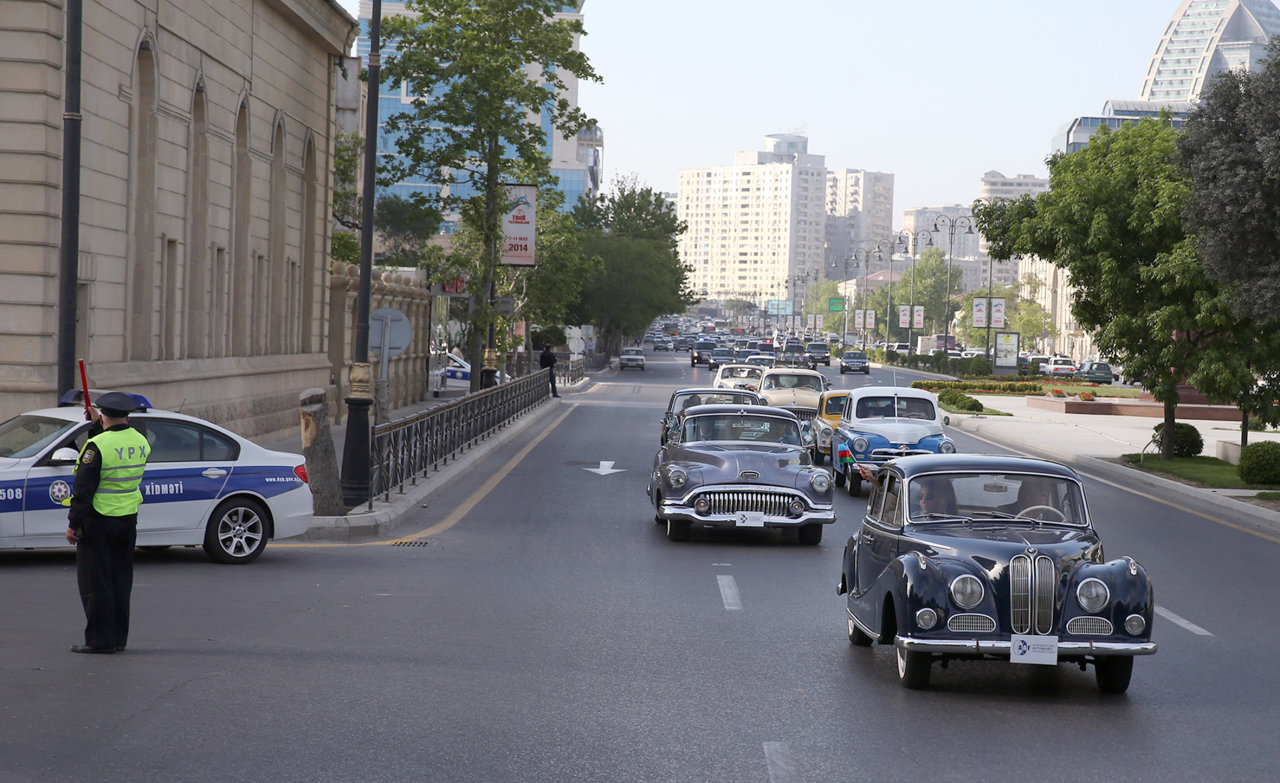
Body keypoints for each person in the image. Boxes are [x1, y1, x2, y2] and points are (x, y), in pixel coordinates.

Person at [65, 391, 150, 654]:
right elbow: (112, 449)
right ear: (126, 415)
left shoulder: (96, 446)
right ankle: (118, 639)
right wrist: (96, 426)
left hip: (99, 520)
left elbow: (84, 487)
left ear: (103, 414)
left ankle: (100, 641)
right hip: (127, 519)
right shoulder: (141, 440)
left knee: (95, 583)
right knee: (120, 581)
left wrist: (73, 524)